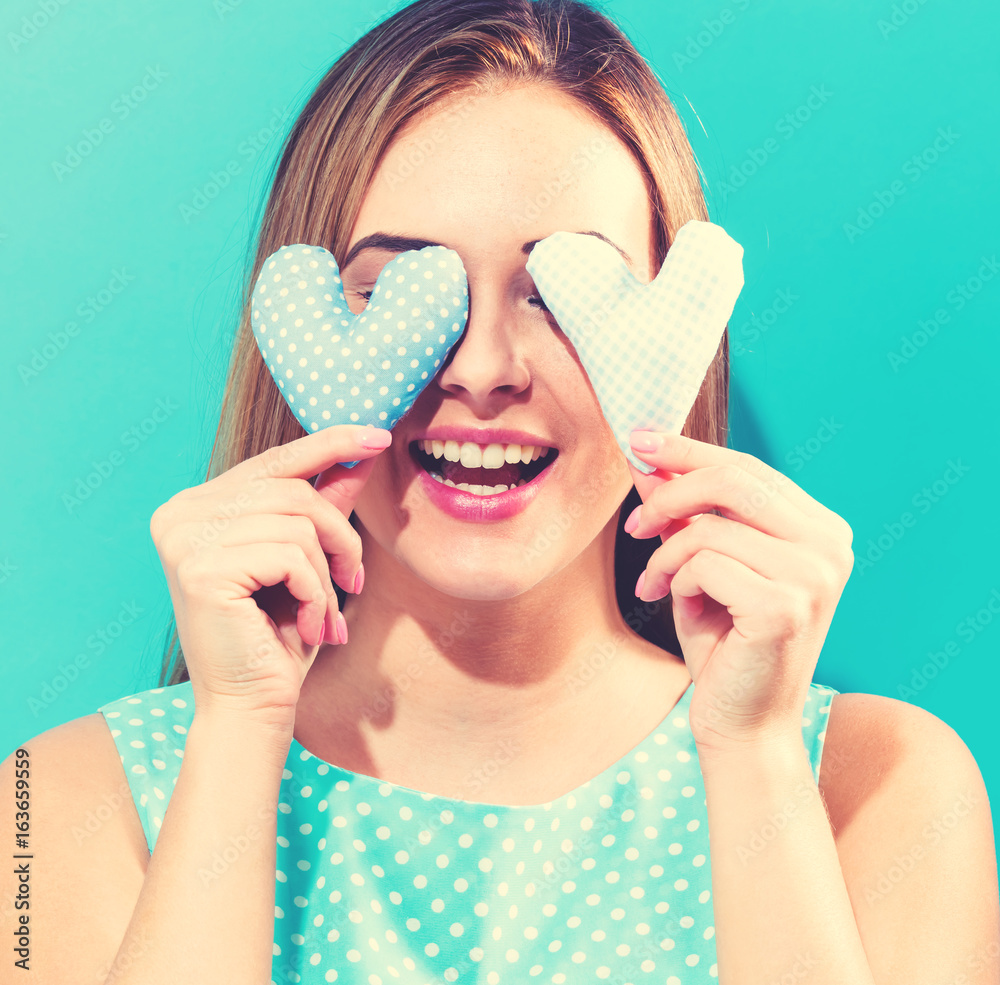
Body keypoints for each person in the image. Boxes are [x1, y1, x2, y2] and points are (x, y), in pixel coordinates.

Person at [4, 0, 998, 982]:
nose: (482, 369)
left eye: (560, 296)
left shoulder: (884, 790)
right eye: (393, 289)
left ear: (674, 333)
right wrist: (235, 732)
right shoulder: (49, 802)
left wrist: (752, 754)